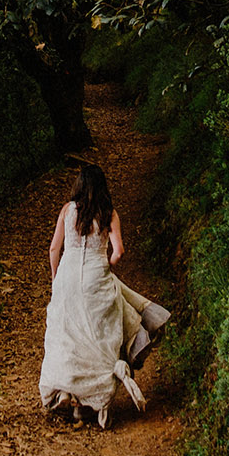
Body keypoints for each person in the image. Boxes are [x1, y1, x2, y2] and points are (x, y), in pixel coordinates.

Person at [38, 162, 171, 427]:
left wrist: (56, 279)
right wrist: (104, 267)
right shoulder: (109, 214)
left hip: (67, 279)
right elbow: (118, 252)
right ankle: (98, 398)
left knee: (67, 336)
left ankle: (68, 393)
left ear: (78, 185)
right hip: (96, 279)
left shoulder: (67, 210)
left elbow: (54, 249)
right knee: (100, 338)